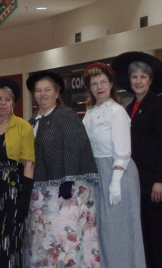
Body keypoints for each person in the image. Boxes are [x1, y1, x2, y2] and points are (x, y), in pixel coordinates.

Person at [25, 71, 99, 268]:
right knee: (45, 240)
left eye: (47, 90)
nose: (42, 94)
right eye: (38, 90)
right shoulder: (32, 121)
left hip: (66, 190)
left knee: (66, 240)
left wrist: (68, 180)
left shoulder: (64, 114)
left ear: (57, 93)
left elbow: (75, 144)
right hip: (42, 192)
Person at [82, 62, 145, 268]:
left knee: (120, 230)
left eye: (103, 82)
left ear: (111, 85)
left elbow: (123, 150)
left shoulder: (117, 111)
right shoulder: (90, 113)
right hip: (98, 172)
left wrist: (116, 181)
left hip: (117, 171)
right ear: (89, 87)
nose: (99, 86)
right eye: (94, 83)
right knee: (103, 232)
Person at [112, 52, 162, 268]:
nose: (139, 81)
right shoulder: (127, 108)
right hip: (135, 183)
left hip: (154, 184)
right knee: (142, 234)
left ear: (151, 80)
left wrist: (160, 180)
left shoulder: (159, 105)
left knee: (157, 235)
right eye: (135, 76)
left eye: (143, 76)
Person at [0, 78, 35, 268]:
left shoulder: (23, 126)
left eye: (8, 99)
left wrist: (24, 200)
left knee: (10, 242)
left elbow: (28, 164)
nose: (3, 103)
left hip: (12, 191)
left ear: (13, 103)